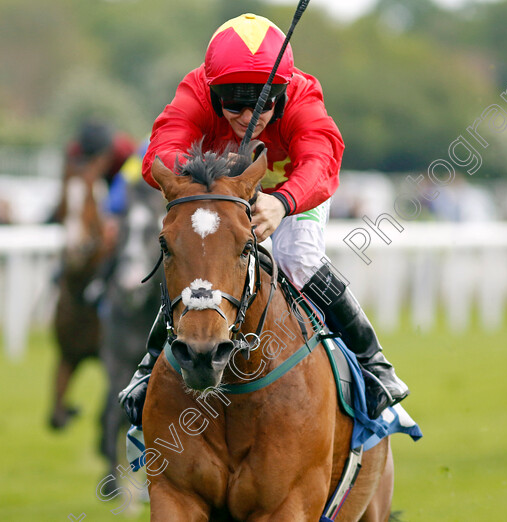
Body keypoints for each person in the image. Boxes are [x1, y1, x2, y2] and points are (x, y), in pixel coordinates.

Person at [119, 13, 409, 427]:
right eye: (231, 101)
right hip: (223, 190)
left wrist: (283, 202)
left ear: (282, 91)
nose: (245, 115)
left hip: (294, 191)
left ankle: (374, 362)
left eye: (261, 101)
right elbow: (160, 153)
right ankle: (149, 368)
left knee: (297, 255)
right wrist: (206, 181)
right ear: (211, 88)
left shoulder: (304, 97)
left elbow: (321, 162)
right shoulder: (195, 90)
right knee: (197, 256)